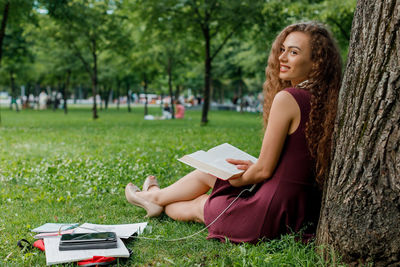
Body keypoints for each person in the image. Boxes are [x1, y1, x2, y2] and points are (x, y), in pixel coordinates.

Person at [125, 21, 342, 243]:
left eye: (293, 52)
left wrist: (241, 180)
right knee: (210, 172)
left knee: (199, 204)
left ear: (317, 63)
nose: (282, 58)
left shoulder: (288, 98)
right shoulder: (332, 100)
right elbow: (294, 160)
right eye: (283, 49)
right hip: (301, 209)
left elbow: (264, 172)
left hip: (267, 214)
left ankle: (154, 200)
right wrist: (254, 167)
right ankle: (153, 197)